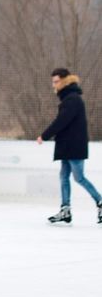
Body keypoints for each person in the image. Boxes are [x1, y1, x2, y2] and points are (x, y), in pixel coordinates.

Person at [36, 68, 102, 225]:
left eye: (56, 81)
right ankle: (65, 209)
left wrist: (44, 136)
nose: (54, 85)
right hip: (68, 146)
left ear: (65, 80)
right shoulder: (69, 98)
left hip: (74, 147)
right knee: (64, 177)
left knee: (79, 177)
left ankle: (100, 201)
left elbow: (61, 121)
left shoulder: (72, 100)